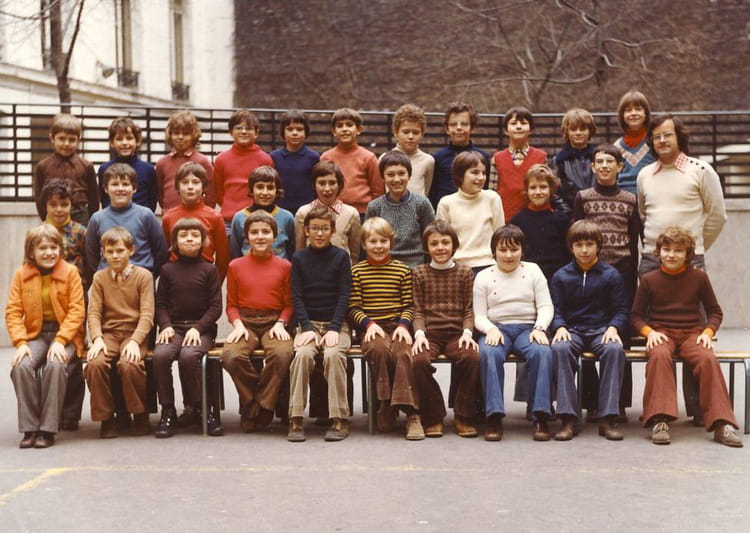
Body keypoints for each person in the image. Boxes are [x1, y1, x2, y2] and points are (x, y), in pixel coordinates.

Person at [638, 114, 728, 425]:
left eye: (667, 135)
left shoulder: (700, 170)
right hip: (652, 259)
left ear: (679, 137)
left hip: (691, 258)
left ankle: (700, 411)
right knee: (658, 339)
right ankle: (661, 412)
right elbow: (644, 214)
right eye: (656, 137)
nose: (662, 141)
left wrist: (695, 248)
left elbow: (717, 215)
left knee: (695, 337)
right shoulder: (645, 174)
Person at [632, 227, 742, 447]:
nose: (671, 255)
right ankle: (659, 420)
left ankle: (722, 423)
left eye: (678, 250)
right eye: (666, 249)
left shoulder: (699, 277)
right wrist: (649, 333)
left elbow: (715, 311)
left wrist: (708, 332)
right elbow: (635, 315)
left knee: (707, 358)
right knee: (659, 356)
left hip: (692, 333)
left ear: (688, 254)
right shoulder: (649, 279)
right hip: (662, 333)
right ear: (658, 252)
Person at [573, 144, 640, 422]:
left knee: (618, 337)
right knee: (588, 331)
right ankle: (591, 402)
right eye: (599, 162)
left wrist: (632, 279)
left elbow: (634, 241)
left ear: (619, 167)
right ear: (592, 167)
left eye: (609, 161)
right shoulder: (583, 197)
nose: (604, 166)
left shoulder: (630, 199)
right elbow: (576, 236)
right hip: (591, 273)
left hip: (621, 274)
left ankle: (619, 402)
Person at [6, 224, 84, 448]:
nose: (49, 252)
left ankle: (47, 429)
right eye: (42, 248)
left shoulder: (70, 272)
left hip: (65, 335)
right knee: (21, 366)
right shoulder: (21, 274)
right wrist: (21, 343)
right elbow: (13, 311)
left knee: (55, 365)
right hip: (37, 334)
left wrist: (61, 340)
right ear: (31, 252)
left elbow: (77, 311)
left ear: (60, 249)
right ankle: (30, 427)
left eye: (53, 247)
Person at [474, 225, 554, 441]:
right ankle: (493, 416)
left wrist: (540, 328)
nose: (508, 255)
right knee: (489, 353)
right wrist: (490, 329)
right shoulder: (483, 277)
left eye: (514, 249)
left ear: (522, 250)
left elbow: (546, 305)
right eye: (502, 250)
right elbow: (479, 315)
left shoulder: (533, 271)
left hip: (528, 328)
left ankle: (540, 415)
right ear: (494, 251)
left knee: (542, 352)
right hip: (497, 328)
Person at [550, 221, 628, 441]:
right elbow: (555, 309)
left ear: (598, 246)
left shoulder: (610, 275)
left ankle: (607, 418)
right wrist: (560, 326)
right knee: (560, 349)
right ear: (571, 247)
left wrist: (613, 327)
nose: (584, 250)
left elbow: (621, 310)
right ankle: (568, 418)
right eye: (579, 245)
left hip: (601, 330)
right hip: (572, 330)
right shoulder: (561, 276)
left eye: (589, 244)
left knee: (614, 350)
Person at [220, 211, 294, 433]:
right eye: (254, 232)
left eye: (265, 232)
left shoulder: (285, 266)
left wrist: (281, 323)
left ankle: (259, 406)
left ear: (275, 236)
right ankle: (256, 402)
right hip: (246, 322)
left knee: (282, 354)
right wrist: (237, 324)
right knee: (231, 356)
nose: (260, 236)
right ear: (246, 237)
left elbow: (289, 304)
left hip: (274, 322)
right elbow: (231, 304)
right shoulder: (235, 266)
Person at [153, 218, 223, 438]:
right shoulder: (167, 270)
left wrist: (199, 328)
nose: (189, 239)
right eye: (183, 236)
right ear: (175, 242)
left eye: (195, 235)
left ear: (203, 241)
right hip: (174, 328)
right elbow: (160, 304)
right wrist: (165, 325)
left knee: (189, 356)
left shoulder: (209, 269)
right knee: (160, 356)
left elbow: (215, 307)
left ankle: (202, 408)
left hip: (201, 329)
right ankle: (168, 410)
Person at [287, 207, 352, 442]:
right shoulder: (299, 258)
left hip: (337, 325)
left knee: (333, 356)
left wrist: (334, 328)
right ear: (306, 230)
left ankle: (339, 418)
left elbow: (344, 295)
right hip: (309, 324)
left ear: (333, 230)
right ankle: (295, 418)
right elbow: (297, 297)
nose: (320, 233)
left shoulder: (341, 257)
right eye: (315, 228)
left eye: (325, 228)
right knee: (303, 355)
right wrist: (306, 328)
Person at [411, 220, 480, 440]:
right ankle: (433, 416)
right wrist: (419, 334)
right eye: (434, 243)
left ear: (454, 245)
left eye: (445, 243)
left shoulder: (465, 273)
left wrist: (467, 333)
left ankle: (463, 415)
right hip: (430, 334)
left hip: (456, 334)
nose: (440, 248)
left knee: (471, 356)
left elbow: (469, 310)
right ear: (426, 247)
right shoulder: (419, 273)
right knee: (418, 361)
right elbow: (418, 310)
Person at [85, 227, 155, 438]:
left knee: (129, 364)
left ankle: (139, 413)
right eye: (110, 252)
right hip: (109, 334)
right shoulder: (100, 278)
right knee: (95, 364)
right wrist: (97, 339)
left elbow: (147, 314)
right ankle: (106, 418)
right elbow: (94, 313)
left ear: (131, 250)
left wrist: (135, 341)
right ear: (103, 253)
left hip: (134, 333)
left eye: (120, 251)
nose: (115, 256)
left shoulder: (144, 276)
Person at [349, 217, 416, 436]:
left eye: (383, 241)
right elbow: (353, 306)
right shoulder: (357, 271)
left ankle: (411, 412)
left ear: (391, 243)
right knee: (379, 350)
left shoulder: (402, 270)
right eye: (373, 241)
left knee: (403, 353)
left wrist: (404, 325)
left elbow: (409, 305)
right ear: (364, 244)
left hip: (397, 326)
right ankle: (385, 404)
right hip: (371, 327)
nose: (378, 246)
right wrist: (368, 324)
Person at [40, 179, 87, 430]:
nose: (59, 209)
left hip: (75, 301)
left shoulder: (80, 232)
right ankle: (50, 412)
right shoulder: (39, 234)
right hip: (46, 303)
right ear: (46, 206)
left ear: (71, 205)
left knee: (74, 357)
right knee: (51, 359)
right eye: (53, 204)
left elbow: (91, 265)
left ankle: (70, 413)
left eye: (64, 204)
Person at [85, 162, 168, 277]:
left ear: (134, 188)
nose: (120, 189)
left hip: (140, 280)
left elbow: (161, 251)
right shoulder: (97, 219)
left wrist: (149, 276)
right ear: (105, 189)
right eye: (114, 184)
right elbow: (91, 255)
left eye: (125, 184)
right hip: (109, 280)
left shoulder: (146, 215)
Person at [436, 151, 504, 275]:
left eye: (484, 173)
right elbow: (442, 238)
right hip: (457, 267)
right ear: (460, 175)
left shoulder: (492, 198)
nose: (481, 178)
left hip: (489, 266)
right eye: (475, 172)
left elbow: (500, 235)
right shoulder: (446, 203)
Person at [162, 162, 230, 282]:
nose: (190, 187)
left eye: (195, 182)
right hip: (176, 278)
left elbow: (222, 257)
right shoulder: (168, 217)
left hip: (205, 279)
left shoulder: (215, 217)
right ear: (177, 187)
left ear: (204, 187)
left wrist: (215, 284)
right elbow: (164, 254)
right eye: (185, 182)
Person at [366, 150, 435, 267]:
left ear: (409, 176)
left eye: (401, 173)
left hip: (416, 266)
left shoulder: (421, 204)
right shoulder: (375, 206)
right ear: (383, 177)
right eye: (390, 175)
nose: (397, 179)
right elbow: (368, 241)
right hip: (384, 265)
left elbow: (431, 237)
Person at [33, 112, 98, 225]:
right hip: (54, 216)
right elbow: (39, 197)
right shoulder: (43, 166)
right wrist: (46, 217)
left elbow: (94, 198)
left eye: (72, 140)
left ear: (78, 140)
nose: (66, 144)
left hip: (80, 216)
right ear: (52, 138)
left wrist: (90, 220)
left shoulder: (86, 166)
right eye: (62, 139)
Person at [215, 109, 274, 231]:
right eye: (239, 128)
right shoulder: (221, 159)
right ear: (230, 132)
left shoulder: (265, 159)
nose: (243, 131)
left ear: (256, 133)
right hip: (229, 221)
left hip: (257, 219)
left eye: (248, 128)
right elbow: (219, 192)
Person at [294, 160, 362, 265]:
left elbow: (354, 252)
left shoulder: (351, 213)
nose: (327, 189)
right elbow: (300, 249)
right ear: (314, 185)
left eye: (332, 183)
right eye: (321, 183)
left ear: (339, 185)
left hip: (341, 269)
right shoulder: (303, 212)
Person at [510, 164, 570, 280]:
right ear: (527, 190)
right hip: (526, 278)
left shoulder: (561, 220)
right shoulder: (517, 221)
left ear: (551, 189)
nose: (538, 192)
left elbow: (567, 254)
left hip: (555, 278)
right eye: (533, 188)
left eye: (543, 187)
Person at [488, 106, 548, 222]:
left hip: (534, 219)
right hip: (505, 220)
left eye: (523, 123)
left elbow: (545, 191)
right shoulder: (497, 158)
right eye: (513, 123)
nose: (519, 126)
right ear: (506, 130)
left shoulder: (541, 157)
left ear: (531, 129)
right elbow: (492, 194)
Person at [320, 107, 384, 216]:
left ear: (359, 129)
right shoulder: (326, 158)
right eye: (340, 126)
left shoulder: (369, 157)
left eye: (349, 125)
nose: (344, 129)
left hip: (363, 213)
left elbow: (378, 192)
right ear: (333, 131)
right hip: (334, 212)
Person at [429, 102, 490, 209]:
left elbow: (485, 188)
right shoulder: (438, 158)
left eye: (464, 124)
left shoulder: (482, 157)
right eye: (453, 124)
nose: (459, 128)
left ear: (472, 128)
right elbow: (433, 192)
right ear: (447, 129)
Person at [229, 166, 295, 260]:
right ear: (251, 190)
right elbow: (235, 253)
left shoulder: (287, 217)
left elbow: (292, 250)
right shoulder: (239, 218)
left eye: (270, 188)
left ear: (277, 191)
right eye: (260, 187)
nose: (265, 192)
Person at [156, 110, 216, 212]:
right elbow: (160, 194)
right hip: (170, 214)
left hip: (197, 216)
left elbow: (211, 194)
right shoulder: (162, 163)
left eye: (186, 133)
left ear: (193, 135)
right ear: (170, 134)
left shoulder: (203, 161)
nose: (180, 137)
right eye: (176, 133)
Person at [98, 117, 157, 211]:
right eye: (119, 139)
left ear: (137, 141)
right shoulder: (104, 169)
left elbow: (152, 200)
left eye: (129, 138)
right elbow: (104, 200)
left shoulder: (148, 169)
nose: (124, 143)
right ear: (112, 142)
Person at [270, 109, 320, 214]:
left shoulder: (314, 157)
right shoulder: (274, 157)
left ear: (306, 132)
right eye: (290, 129)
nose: (295, 133)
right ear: (283, 132)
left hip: (307, 211)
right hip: (280, 210)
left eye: (299, 129)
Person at [378, 103, 434, 196]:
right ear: (395, 132)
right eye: (406, 132)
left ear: (422, 134)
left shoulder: (428, 161)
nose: (411, 136)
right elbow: (381, 189)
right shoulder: (384, 158)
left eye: (415, 132)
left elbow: (427, 190)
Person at [551, 108, 597, 211]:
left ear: (590, 131)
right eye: (573, 129)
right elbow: (554, 193)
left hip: (596, 210)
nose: (578, 133)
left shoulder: (598, 158)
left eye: (583, 129)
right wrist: (567, 212)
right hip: (570, 213)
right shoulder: (559, 161)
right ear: (566, 131)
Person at [613, 90, 655, 195]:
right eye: (628, 110)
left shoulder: (653, 141)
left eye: (638, 109)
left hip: (649, 193)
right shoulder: (617, 146)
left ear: (646, 114)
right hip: (623, 196)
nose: (633, 113)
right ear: (622, 116)